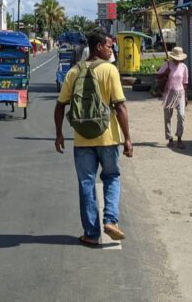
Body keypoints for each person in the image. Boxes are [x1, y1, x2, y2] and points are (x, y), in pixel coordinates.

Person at [54, 29, 133, 247]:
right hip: (108, 138)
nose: (112, 49)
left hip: (82, 140)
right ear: (98, 46)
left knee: (86, 184)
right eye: (109, 46)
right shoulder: (110, 70)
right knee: (112, 177)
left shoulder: (74, 72)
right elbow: (120, 106)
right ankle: (110, 220)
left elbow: (60, 105)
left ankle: (90, 233)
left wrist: (59, 134)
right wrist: (127, 138)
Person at [157, 47, 190, 148]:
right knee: (167, 117)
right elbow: (157, 76)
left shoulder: (184, 67)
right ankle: (170, 139)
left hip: (180, 93)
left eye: (179, 59)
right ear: (173, 58)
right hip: (168, 93)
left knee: (181, 116)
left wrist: (186, 97)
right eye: (176, 58)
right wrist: (165, 73)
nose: (178, 60)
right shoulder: (166, 65)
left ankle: (179, 138)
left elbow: (185, 83)